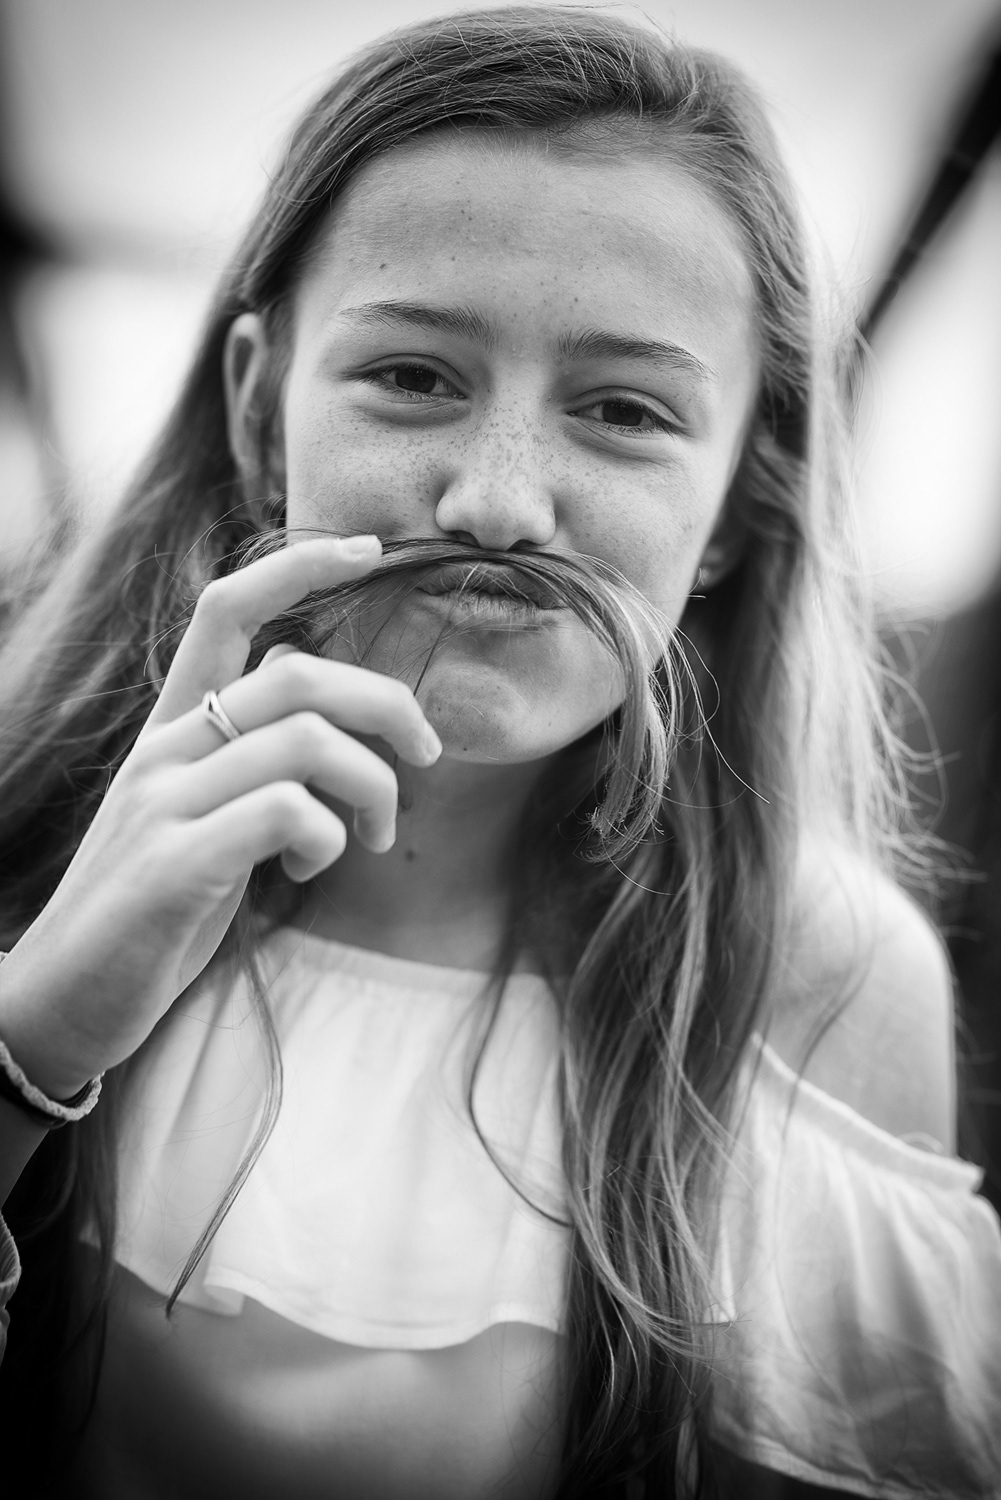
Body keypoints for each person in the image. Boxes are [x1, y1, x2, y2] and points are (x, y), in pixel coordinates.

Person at [0, 6, 998, 1497]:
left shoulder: (817, 973)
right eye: (413, 376)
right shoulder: (22, 818)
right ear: (261, 412)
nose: (497, 503)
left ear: (736, 509)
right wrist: (31, 1038)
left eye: (623, 411)